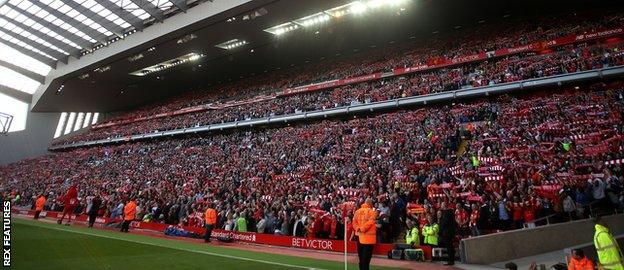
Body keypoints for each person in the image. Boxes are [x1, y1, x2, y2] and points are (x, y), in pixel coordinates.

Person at [353, 198, 378, 270]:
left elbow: (354, 222)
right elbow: (371, 222)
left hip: (359, 237)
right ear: (370, 204)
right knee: (366, 260)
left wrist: (358, 228)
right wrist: (363, 229)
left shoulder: (357, 211)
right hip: (368, 239)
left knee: (361, 259)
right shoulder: (371, 212)